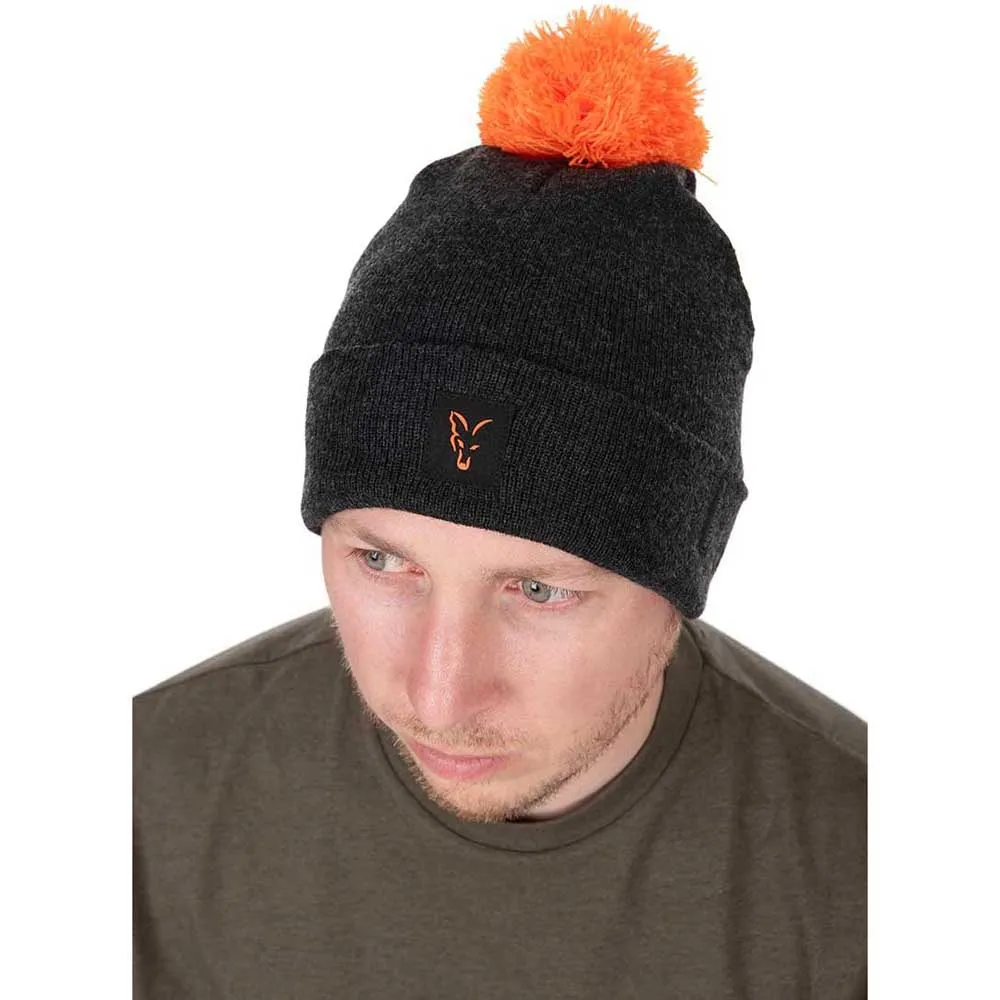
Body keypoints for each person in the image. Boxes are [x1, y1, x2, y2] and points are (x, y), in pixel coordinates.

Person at [133, 6, 866, 997]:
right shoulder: (136, 803)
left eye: (538, 589)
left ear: (685, 570)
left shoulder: (876, 869)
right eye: (382, 561)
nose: (437, 698)